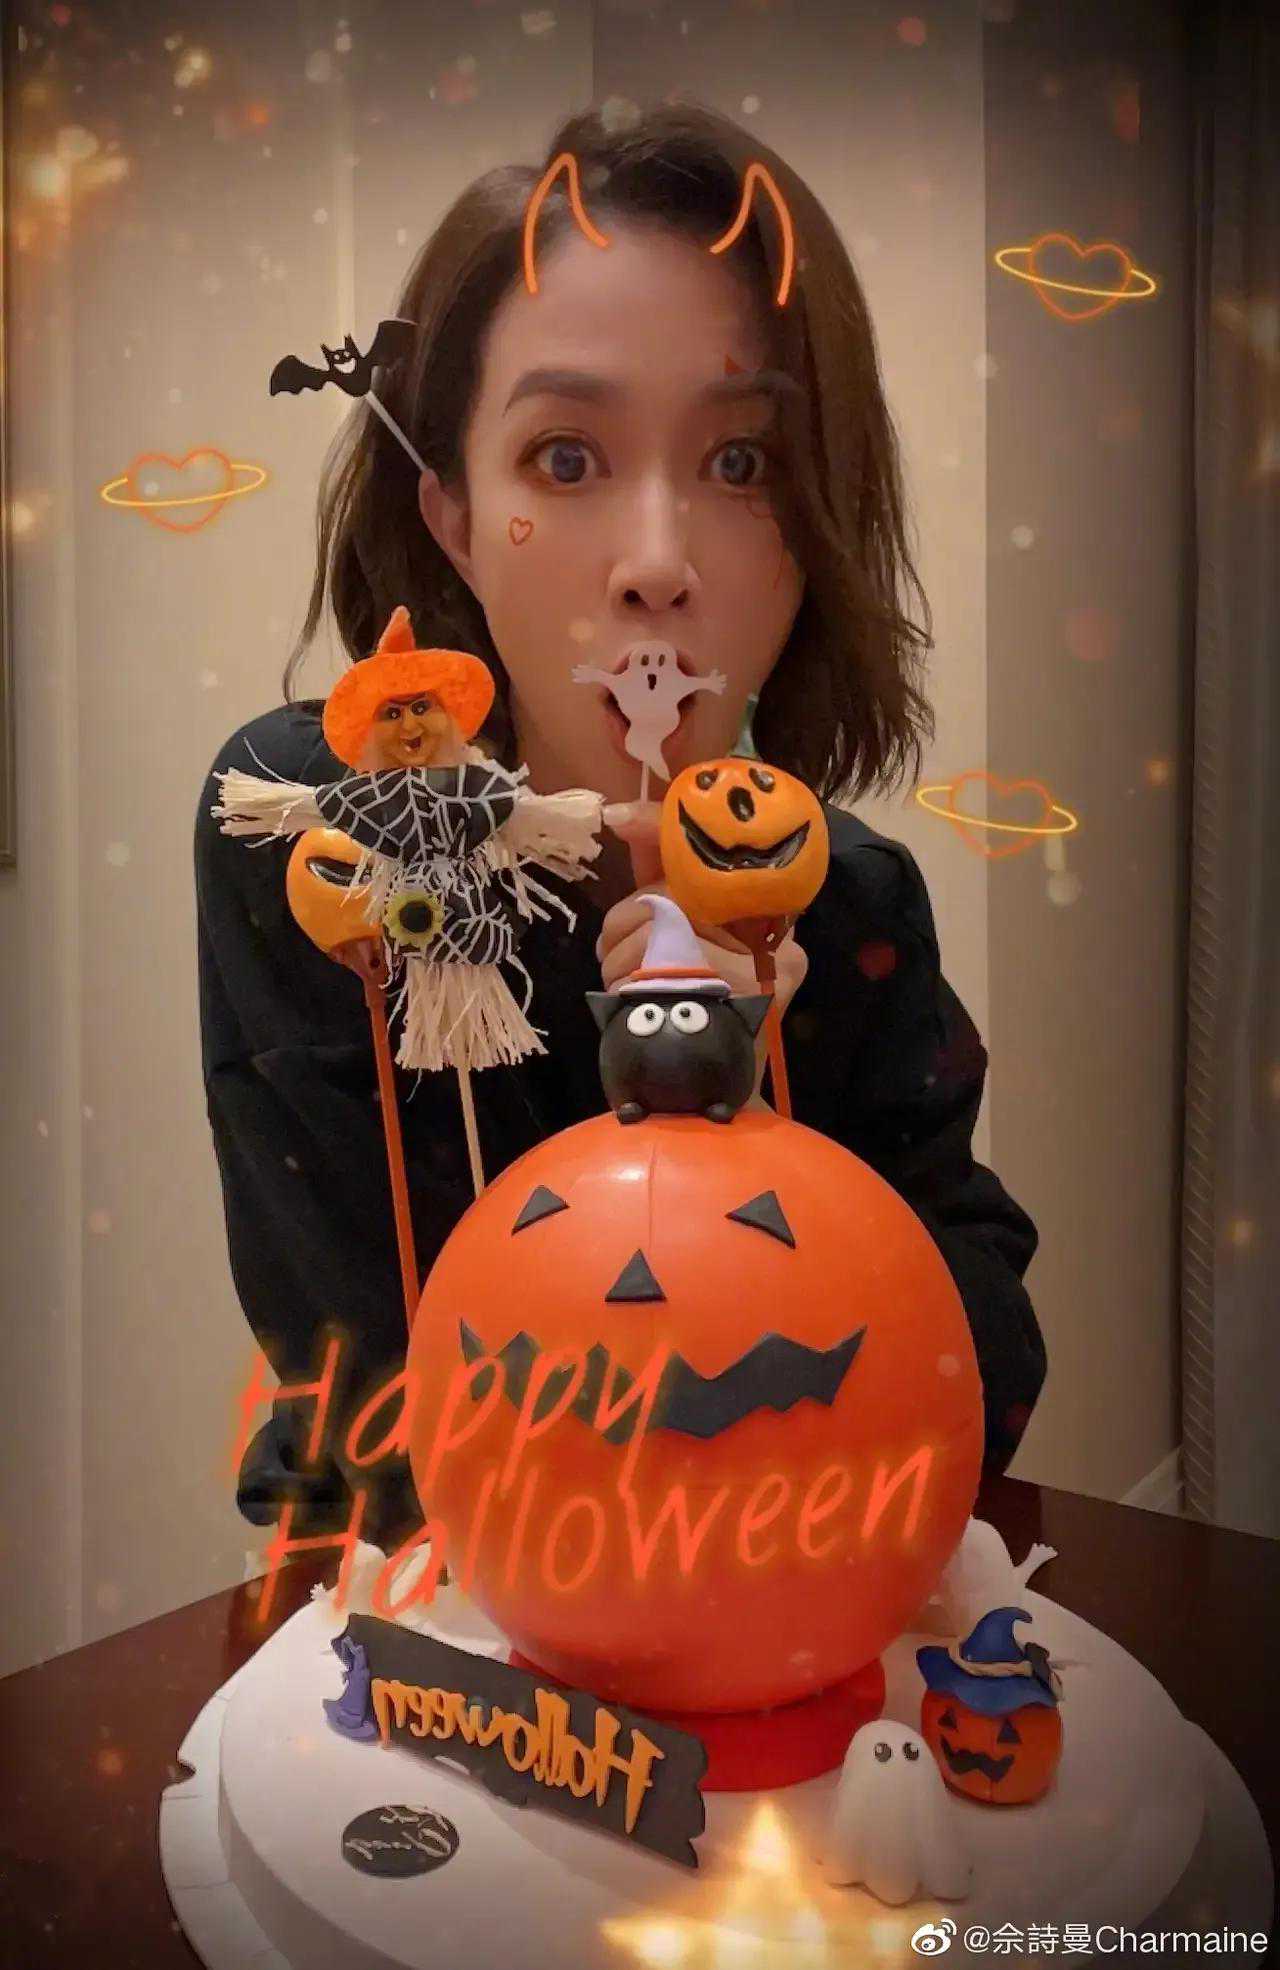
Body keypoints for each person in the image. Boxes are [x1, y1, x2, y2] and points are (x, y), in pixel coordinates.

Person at [195, 102, 1046, 1551]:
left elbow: (986, 1359)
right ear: (455, 519)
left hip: (778, 1608)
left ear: (815, 529)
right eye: (567, 459)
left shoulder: (845, 903)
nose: (657, 564)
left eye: (741, 464)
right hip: (413, 1612)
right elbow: (371, 1382)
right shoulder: (326, 848)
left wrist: (756, 1115)